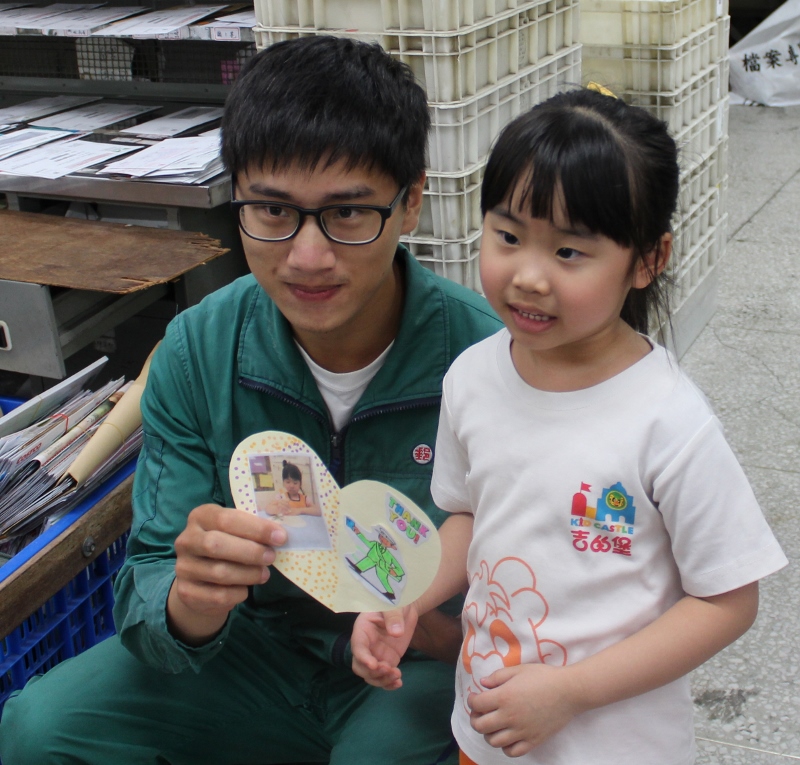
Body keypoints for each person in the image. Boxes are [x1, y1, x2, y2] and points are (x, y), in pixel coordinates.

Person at [0, 36, 501, 765]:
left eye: (348, 214)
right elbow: (146, 578)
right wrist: (191, 604)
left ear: (411, 203)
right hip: (248, 656)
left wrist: (437, 633)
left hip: (415, 670)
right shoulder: (198, 353)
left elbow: (554, 578)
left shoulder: (486, 360)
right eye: (270, 210)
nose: (306, 255)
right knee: (39, 728)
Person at [351, 89, 788, 765]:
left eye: (570, 252)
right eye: (508, 236)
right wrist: (408, 596)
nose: (528, 276)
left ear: (648, 259)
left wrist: (572, 691)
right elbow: (474, 518)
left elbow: (729, 600)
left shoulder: (667, 421)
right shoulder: (471, 377)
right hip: (489, 732)